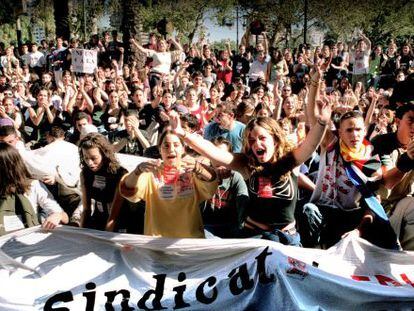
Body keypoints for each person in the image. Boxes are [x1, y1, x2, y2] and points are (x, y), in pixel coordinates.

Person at [168, 70, 332, 245]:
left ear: (275, 140)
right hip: (253, 238)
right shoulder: (247, 163)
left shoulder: (290, 161)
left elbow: (310, 144)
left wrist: (322, 122)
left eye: (262, 138)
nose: (256, 144)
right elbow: (213, 152)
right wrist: (182, 133)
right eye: (252, 140)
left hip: (287, 239)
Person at [119, 129, 218, 238]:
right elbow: (127, 191)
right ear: (159, 150)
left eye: (176, 145)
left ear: (183, 149)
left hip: (190, 243)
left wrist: (199, 168)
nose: (171, 150)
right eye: (166, 146)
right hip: (158, 244)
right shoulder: (150, 172)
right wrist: (137, 171)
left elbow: (211, 184)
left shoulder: (191, 170)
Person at [0, 142, 68, 235]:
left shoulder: (32, 185)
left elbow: (63, 216)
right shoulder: (31, 184)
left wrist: (56, 216)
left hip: (27, 241)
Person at [78, 133, 127, 230]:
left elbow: (114, 214)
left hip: (120, 221)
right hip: (98, 217)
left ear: (105, 154)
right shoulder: (85, 173)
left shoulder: (119, 173)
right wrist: (82, 232)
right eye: (86, 158)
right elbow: (86, 209)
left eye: (94, 158)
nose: (90, 163)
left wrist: (106, 234)